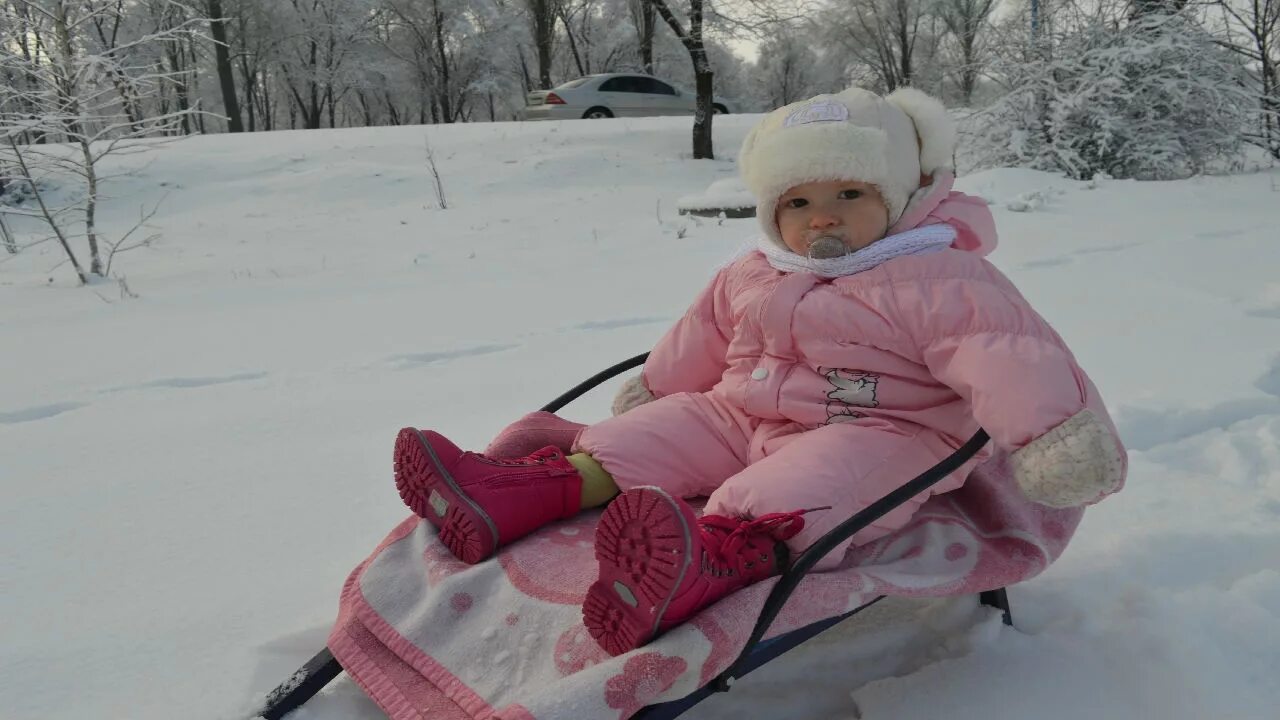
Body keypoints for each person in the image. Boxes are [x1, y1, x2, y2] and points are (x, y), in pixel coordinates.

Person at [392, 87, 1127, 656]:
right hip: (743, 411)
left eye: (849, 195)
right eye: (798, 203)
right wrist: (658, 388)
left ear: (900, 195)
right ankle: (525, 494)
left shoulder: (938, 276)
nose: (821, 220)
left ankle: (706, 560)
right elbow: (701, 336)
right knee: (651, 434)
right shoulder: (756, 269)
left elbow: (1009, 353)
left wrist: (1055, 436)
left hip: (883, 431)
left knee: (798, 492)